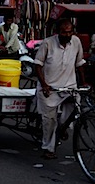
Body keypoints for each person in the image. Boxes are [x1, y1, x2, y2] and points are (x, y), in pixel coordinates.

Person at [34, 19, 87, 160]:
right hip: (50, 89)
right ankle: (48, 148)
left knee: (74, 111)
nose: (67, 34)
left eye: (70, 32)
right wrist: (44, 85)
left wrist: (84, 82)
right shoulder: (48, 43)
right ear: (58, 32)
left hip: (69, 86)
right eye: (64, 32)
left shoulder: (76, 42)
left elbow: (80, 63)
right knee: (49, 120)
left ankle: (62, 129)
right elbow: (38, 65)